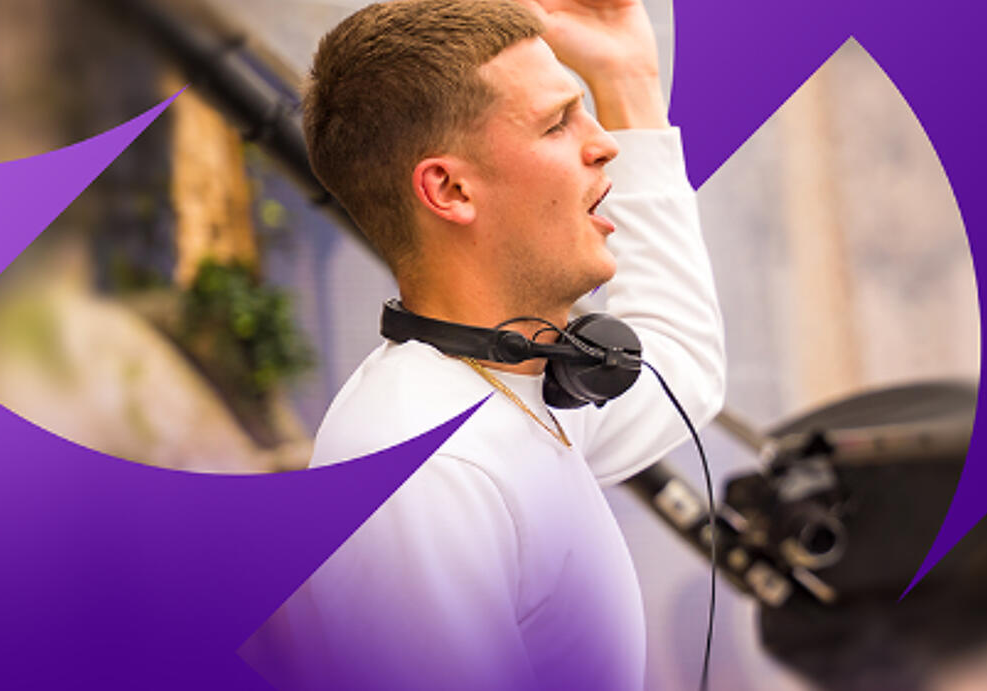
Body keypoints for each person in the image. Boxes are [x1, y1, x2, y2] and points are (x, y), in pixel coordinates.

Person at [251, 1, 725, 688]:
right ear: (449, 189)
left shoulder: (513, 387)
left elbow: (680, 364)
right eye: (558, 122)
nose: (604, 143)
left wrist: (627, 78)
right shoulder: (424, 463)